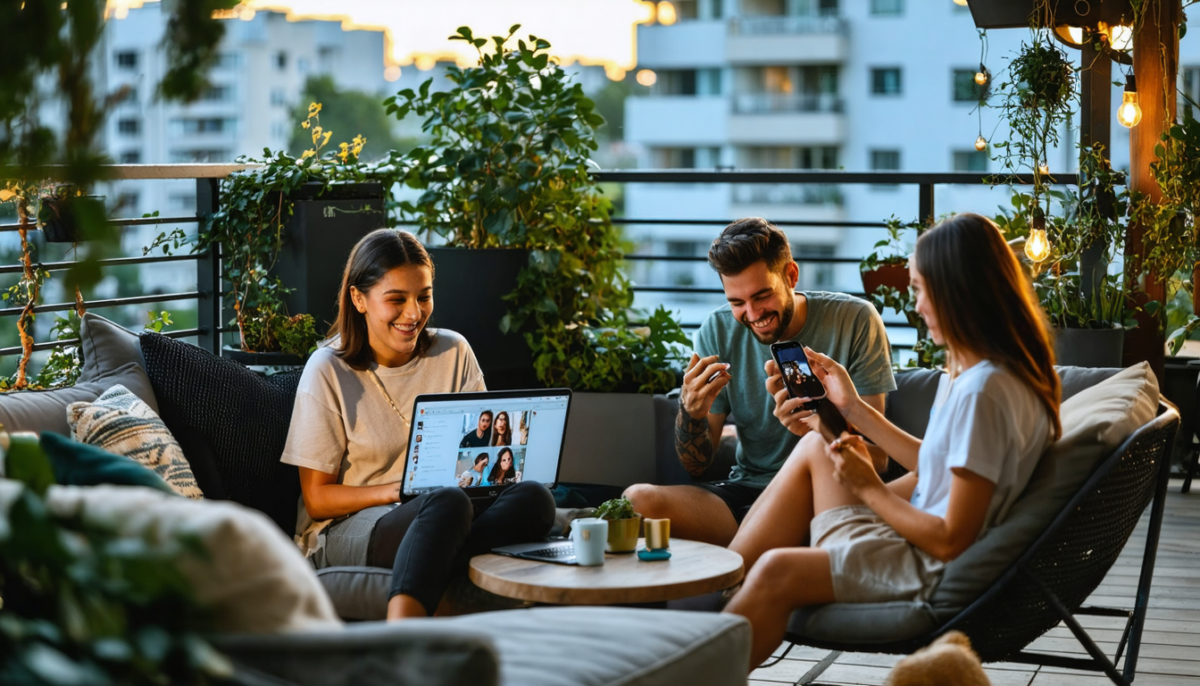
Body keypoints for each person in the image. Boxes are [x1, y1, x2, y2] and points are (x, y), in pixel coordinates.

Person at [722, 213, 1062, 667]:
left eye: (921, 290)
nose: (917, 306)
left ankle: (716, 607)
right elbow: (935, 466)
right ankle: (723, 591)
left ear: (958, 292)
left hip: (920, 563)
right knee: (816, 446)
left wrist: (865, 488)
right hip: (911, 531)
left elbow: (949, 541)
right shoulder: (982, 373)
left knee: (776, 568)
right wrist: (851, 407)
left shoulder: (986, 392)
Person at [280, 229, 555, 621]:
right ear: (359, 299)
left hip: (449, 510)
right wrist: (394, 491)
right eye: (396, 299)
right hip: (349, 526)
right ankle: (403, 631)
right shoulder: (326, 370)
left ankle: (440, 552)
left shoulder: (453, 352)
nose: (414, 314)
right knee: (446, 502)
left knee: (534, 498)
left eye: (423, 296)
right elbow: (317, 500)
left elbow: (477, 455)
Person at [624, 218, 896, 545]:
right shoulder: (718, 330)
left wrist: (817, 424)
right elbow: (696, 466)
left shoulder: (855, 321)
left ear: (791, 275)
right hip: (746, 491)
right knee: (637, 501)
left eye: (762, 296)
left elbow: (877, 460)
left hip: (821, 492)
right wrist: (690, 412)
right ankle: (751, 546)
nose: (752, 315)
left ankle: (742, 565)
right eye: (737, 302)